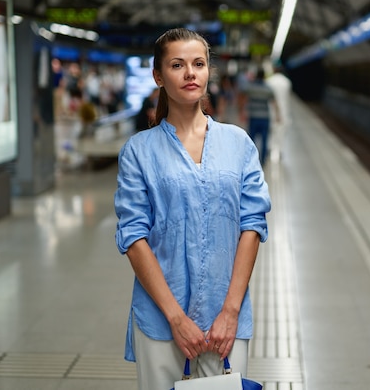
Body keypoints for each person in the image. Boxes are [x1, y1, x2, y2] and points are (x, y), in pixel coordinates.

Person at [114, 28, 271, 390]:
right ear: (158, 76)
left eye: (198, 64)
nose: (190, 73)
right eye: (177, 65)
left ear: (208, 72)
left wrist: (230, 311)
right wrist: (176, 318)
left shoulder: (238, 144)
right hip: (159, 317)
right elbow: (134, 236)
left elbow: (252, 225)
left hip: (225, 320)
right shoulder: (139, 151)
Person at [238, 68, 280, 166]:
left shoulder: (250, 87)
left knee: (252, 139)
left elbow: (242, 97)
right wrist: (278, 115)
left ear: (256, 76)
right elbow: (274, 103)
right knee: (264, 140)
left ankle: (251, 160)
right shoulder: (268, 88)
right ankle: (263, 161)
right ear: (264, 76)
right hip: (265, 117)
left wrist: (241, 111)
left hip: (253, 117)